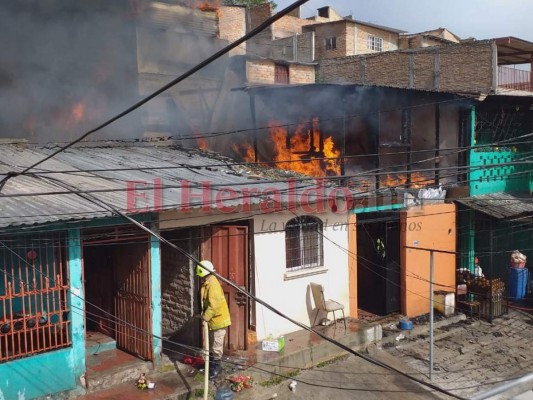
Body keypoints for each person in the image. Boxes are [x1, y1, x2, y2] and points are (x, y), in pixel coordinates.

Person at [196, 260, 231, 380]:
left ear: (205, 274)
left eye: (201, 276)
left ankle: (217, 367)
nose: (200, 279)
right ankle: (209, 365)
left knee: (216, 345)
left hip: (218, 321)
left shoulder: (213, 285)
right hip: (212, 321)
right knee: (210, 345)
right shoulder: (207, 283)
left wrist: (205, 317)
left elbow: (214, 305)